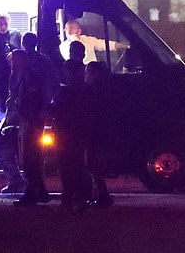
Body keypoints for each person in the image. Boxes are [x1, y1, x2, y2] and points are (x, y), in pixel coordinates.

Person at [52, 59, 95, 213]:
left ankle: (70, 198)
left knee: (69, 166)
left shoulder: (66, 92)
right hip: (78, 132)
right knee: (76, 165)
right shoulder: (87, 91)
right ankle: (79, 198)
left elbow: (56, 111)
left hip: (67, 133)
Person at [8, 50, 50, 207]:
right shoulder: (22, 76)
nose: (11, 63)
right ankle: (41, 191)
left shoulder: (28, 77)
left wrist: (26, 116)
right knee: (35, 157)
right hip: (30, 120)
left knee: (28, 157)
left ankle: (31, 193)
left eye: (14, 60)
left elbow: (30, 100)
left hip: (31, 121)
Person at [85, 61, 113, 208]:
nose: (86, 76)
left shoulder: (96, 92)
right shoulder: (101, 90)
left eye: (88, 72)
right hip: (98, 131)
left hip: (95, 131)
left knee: (93, 162)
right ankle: (100, 193)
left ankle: (102, 194)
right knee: (93, 162)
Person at [59, 20, 128, 64]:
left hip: (93, 73)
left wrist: (126, 46)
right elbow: (77, 57)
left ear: (79, 31)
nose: (68, 31)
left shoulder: (87, 39)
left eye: (71, 28)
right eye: (67, 28)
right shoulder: (63, 46)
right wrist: (75, 38)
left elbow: (104, 44)